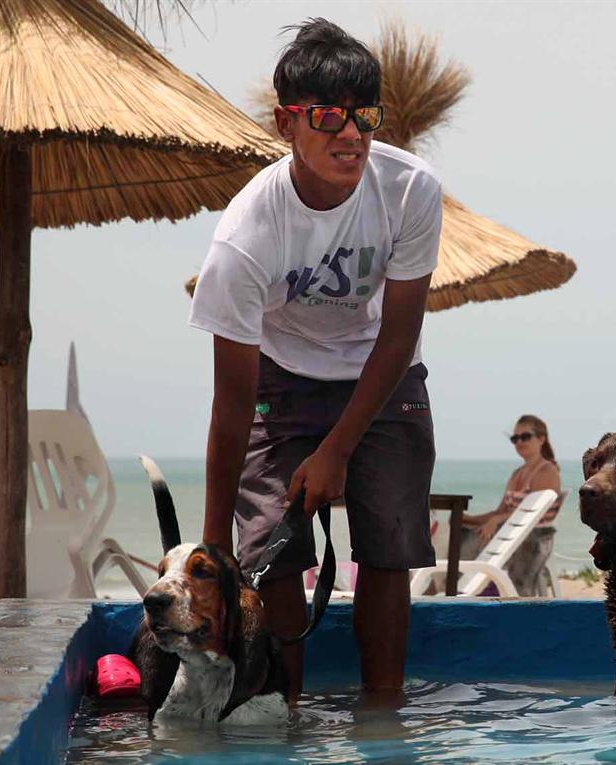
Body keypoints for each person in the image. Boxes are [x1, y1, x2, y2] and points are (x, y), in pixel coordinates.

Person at [188, 18, 443, 702]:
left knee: (389, 547)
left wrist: (337, 449)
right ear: (285, 123)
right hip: (282, 381)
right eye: (328, 116)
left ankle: (383, 714)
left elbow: (399, 334)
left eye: (364, 115)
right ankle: (287, 715)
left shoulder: (412, 189)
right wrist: (215, 552)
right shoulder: (245, 238)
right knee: (274, 553)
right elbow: (233, 402)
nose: (351, 134)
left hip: (383, 379)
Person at [457, 415, 562, 595]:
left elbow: (532, 514)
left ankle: (466, 590)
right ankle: (463, 588)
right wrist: (467, 519)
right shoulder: (517, 474)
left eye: (525, 437)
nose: (519, 442)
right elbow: (500, 512)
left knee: (466, 543)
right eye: (515, 438)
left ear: (541, 439)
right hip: (510, 535)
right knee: (458, 533)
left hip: (533, 537)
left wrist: (496, 520)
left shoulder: (547, 471)